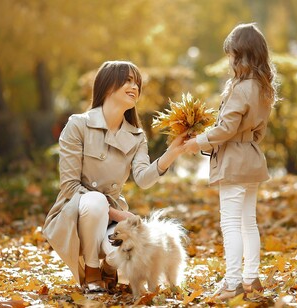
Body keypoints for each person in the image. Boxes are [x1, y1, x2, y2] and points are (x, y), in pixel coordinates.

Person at [42, 60, 186, 293]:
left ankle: (109, 267)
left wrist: (173, 152)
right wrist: (117, 213)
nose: (135, 87)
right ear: (108, 86)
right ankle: (91, 272)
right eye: (128, 80)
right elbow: (69, 186)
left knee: (122, 250)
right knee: (96, 201)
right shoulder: (78, 125)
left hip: (111, 223)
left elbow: (143, 179)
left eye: (137, 83)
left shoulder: (137, 136)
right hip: (76, 213)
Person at [184, 23, 277, 301]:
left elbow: (225, 128)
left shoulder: (240, 88)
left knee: (230, 224)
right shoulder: (263, 87)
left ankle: (233, 282)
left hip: (234, 161)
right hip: (252, 158)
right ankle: (251, 278)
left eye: (232, 55)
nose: (229, 61)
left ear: (242, 55)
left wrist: (197, 142)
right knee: (248, 221)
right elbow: (258, 130)